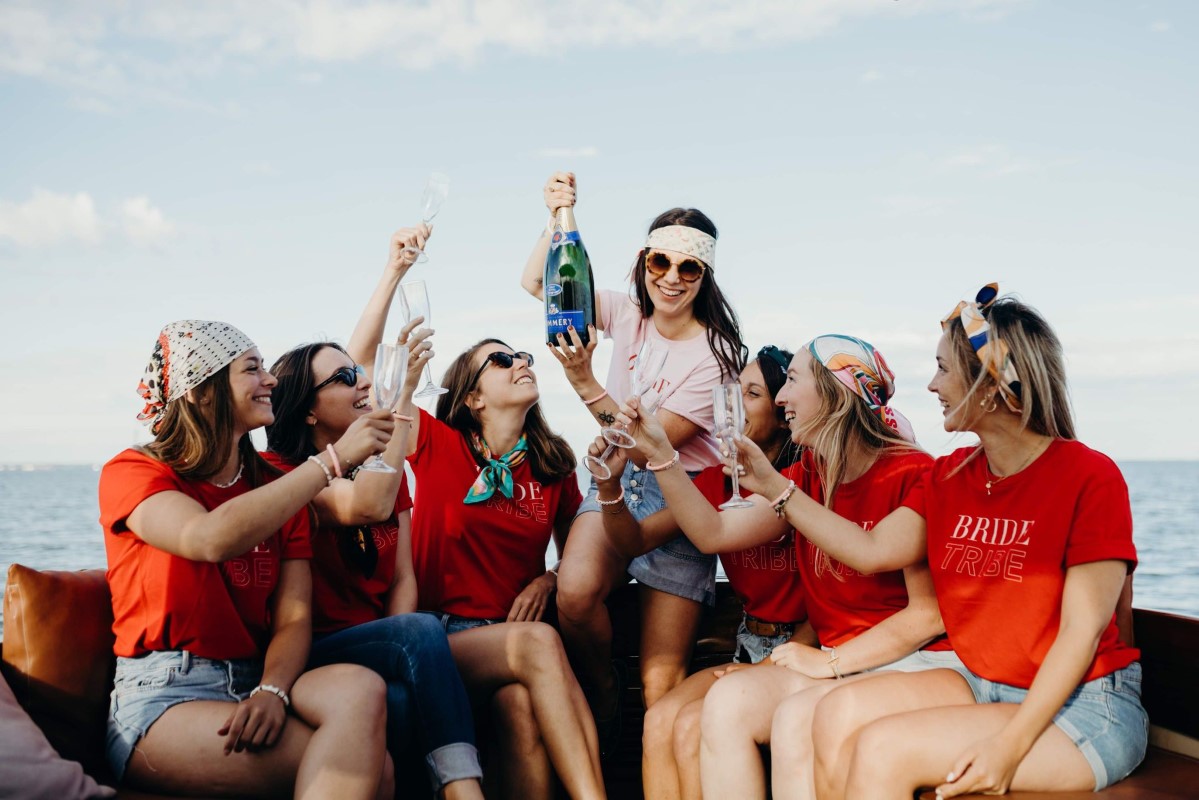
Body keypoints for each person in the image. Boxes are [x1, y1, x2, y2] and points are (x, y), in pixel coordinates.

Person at [763, 286, 1146, 799]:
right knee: (833, 714)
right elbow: (871, 549)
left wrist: (1008, 748)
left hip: (1085, 703)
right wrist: (775, 488)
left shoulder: (1089, 476)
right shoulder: (948, 477)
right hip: (984, 684)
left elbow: (1080, 634)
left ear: (988, 384)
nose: (930, 385)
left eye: (943, 369)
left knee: (881, 750)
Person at [607, 334, 951, 800]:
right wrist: (663, 455)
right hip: (830, 658)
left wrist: (828, 661)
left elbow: (926, 614)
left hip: (899, 663)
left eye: (790, 380)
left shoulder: (912, 473)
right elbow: (715, 534)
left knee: (785, 718)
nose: (782, 396)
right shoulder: (808, 472)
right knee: (727, 703)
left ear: (835, 392)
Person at [99, 320, 394, 799]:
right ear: (201, 392)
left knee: (361, 694)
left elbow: (293, 616)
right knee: (370, 773)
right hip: (165, 692)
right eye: (252, 369)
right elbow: (208, 537)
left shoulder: (271, 482)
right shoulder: (134, 471)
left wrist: (273, 689)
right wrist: (331, 462)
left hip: (256, 676)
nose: (271, 380)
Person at [520, 172, 748, 740]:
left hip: (683, 496)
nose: (671, 279)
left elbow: (647, 450)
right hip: (617, 482)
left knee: (660, 680)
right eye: (659, 264)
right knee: (573, 594)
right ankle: (600, 686)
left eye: (688, 268)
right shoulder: (626, 312)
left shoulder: (716, 357)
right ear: (644, 262)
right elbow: (537, 281)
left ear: (706, 274)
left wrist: (582, 379)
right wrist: (557, 216)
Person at [263, 226, 485, 799]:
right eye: (342, 380)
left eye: (359, 373)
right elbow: (368, 504)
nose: (361, 382)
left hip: (382, 641)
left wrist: (394, 270)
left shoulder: (376, 465)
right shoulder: (286, 478)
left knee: (406, 679)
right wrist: (402, 389)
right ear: (308, 412)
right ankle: (465, 793)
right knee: (419, 634)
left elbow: (404, 580)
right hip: (313, 648)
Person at [585, 345, 814, 800]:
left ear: (783, 411)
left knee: (691, 727)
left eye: (750, 394)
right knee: (658, 719)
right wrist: (610, 487)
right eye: (732, 391)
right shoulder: (715, 479)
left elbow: (828, 601)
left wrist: (659, 451)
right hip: (750, 644)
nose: (731, 405)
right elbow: (633, 542)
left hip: (805, 649)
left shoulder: (802, 480)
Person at [396, 330, 607, 800]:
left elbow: (583, 551)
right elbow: (385, 398)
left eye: (523, 357)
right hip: (441, 640)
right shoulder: (437, 442)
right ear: (473, 397)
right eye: (501, 360)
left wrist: (550, 578)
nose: (521, 362)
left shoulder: (552, 464)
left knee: (521, 708)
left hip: (515, 648)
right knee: (539, 642)